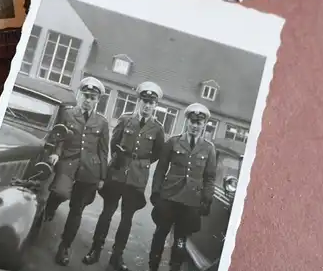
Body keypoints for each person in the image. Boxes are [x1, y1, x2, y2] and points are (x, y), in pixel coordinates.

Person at [83, 81, 166, 271]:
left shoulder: (157, 129)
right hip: (118, 172)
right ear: (139, 101)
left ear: (155, 105)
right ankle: (95, 249)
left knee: (127, 218)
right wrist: (121, 158)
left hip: (137, 178)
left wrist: (139, 163)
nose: (147, 106)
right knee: (107, 213)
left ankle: (117, 256)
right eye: (144, 101)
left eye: (151, 103)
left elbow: (156, 153)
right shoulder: (126, 119)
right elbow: (113, 143)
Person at [43, 77, 110, 266]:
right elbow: (60, 138)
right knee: (61, 192)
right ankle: (52, 204)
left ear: (98, 101)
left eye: (93, 98)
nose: (88, 100)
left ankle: (64, 247)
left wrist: (102, 177)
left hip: (90, 170)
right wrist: (56, 153)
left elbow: (104, 151)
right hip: (68, 162)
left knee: (77, 210)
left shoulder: (102, 122)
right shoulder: (69, 114)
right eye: (86, 96)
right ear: (81, 95)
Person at [148, 103, 217, 271]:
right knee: (160, 234)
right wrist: (156, 192)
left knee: (181, 240)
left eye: (199, 123)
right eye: (192, 121)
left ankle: (175, 267)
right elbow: (160, 170)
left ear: (204, 125)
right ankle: (153, 266)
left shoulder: (209, 149)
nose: (195, 126)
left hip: (190, 202)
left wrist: (206, 200)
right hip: (169, 198)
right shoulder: (173, 142)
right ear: (187, 121)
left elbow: (209, 177)